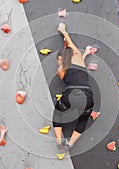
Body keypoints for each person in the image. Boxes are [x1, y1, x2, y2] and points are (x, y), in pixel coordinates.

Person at [52, 23, 94, 151]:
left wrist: (84, 55)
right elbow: (79, 62)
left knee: (58, 114)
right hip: (87, 96)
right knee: (83, 118)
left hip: (70, 96)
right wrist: (63, 31)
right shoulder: (77, 57)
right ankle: (70, 144)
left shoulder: (60, 70)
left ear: (60, 60)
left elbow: (72, 67)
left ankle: (59, 141)